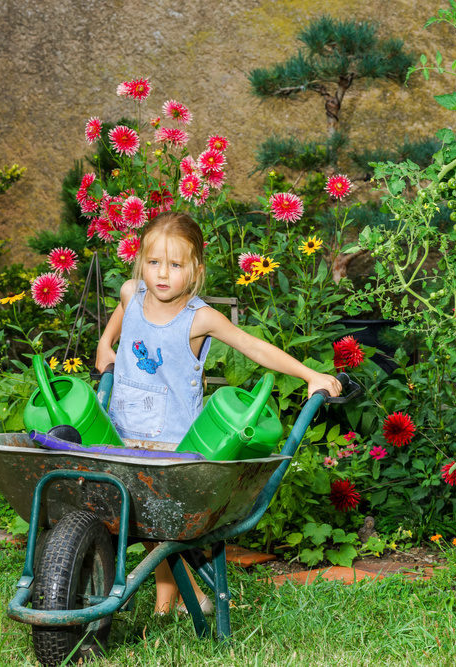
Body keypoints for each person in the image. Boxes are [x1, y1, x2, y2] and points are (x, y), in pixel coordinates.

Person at [95, 210, 342, 614]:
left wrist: (309, 374)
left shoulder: (200, 318)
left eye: (175, 265)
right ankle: (176, 595)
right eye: (154, 262)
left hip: (173, 445)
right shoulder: (130, 294)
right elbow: (122, 315)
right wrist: (107, 343)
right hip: (123, 433)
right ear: (141, 261)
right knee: (147, 519)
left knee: (159, 521)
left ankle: (172, 598)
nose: (162, 274)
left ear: (195, 271)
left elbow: (253, 346)